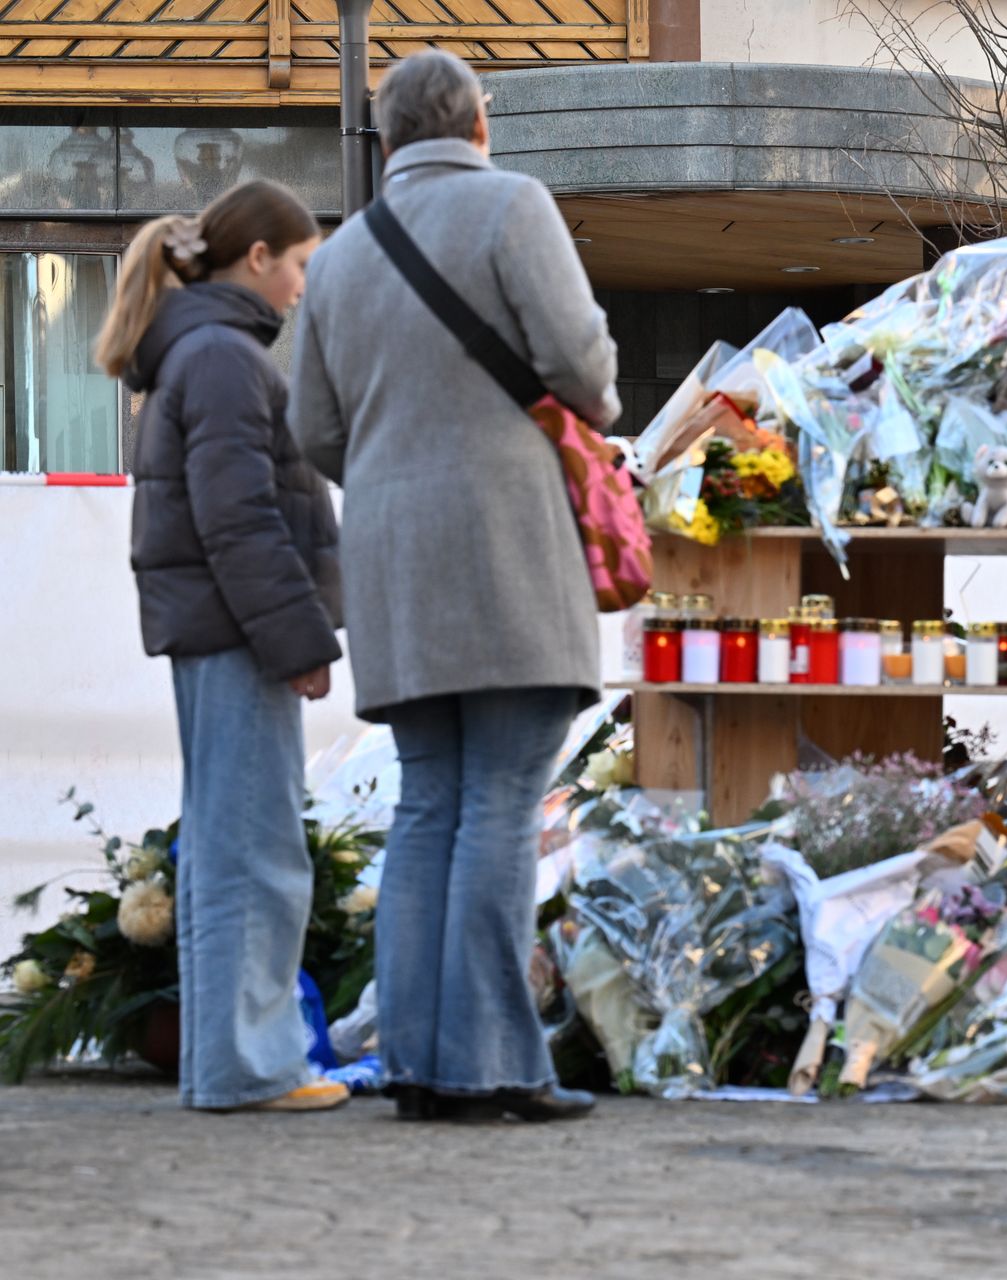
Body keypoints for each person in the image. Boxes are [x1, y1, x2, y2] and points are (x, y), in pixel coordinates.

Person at [290, 50, 620, 1123]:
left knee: (427, 804)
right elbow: (581, 368)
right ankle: (494, 1064)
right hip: (508, 544)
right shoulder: (512, 206)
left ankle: (422, 1064)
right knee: (500, 805)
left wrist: (395, 483)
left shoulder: (337, 260)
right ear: (478, 123)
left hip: (392, 557)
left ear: (387, 140)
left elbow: (314, 430)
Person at [101, 180, 346, 1113]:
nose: (301, 286)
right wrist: (298, 638)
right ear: (258, 259)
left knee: (226, 848)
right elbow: (238, 520)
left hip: (216, 630)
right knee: (256, 851)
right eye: (299, 266)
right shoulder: (223, 358)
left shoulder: (200, 352)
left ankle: (226, 1065)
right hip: (240, 634)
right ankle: (252, 1067)